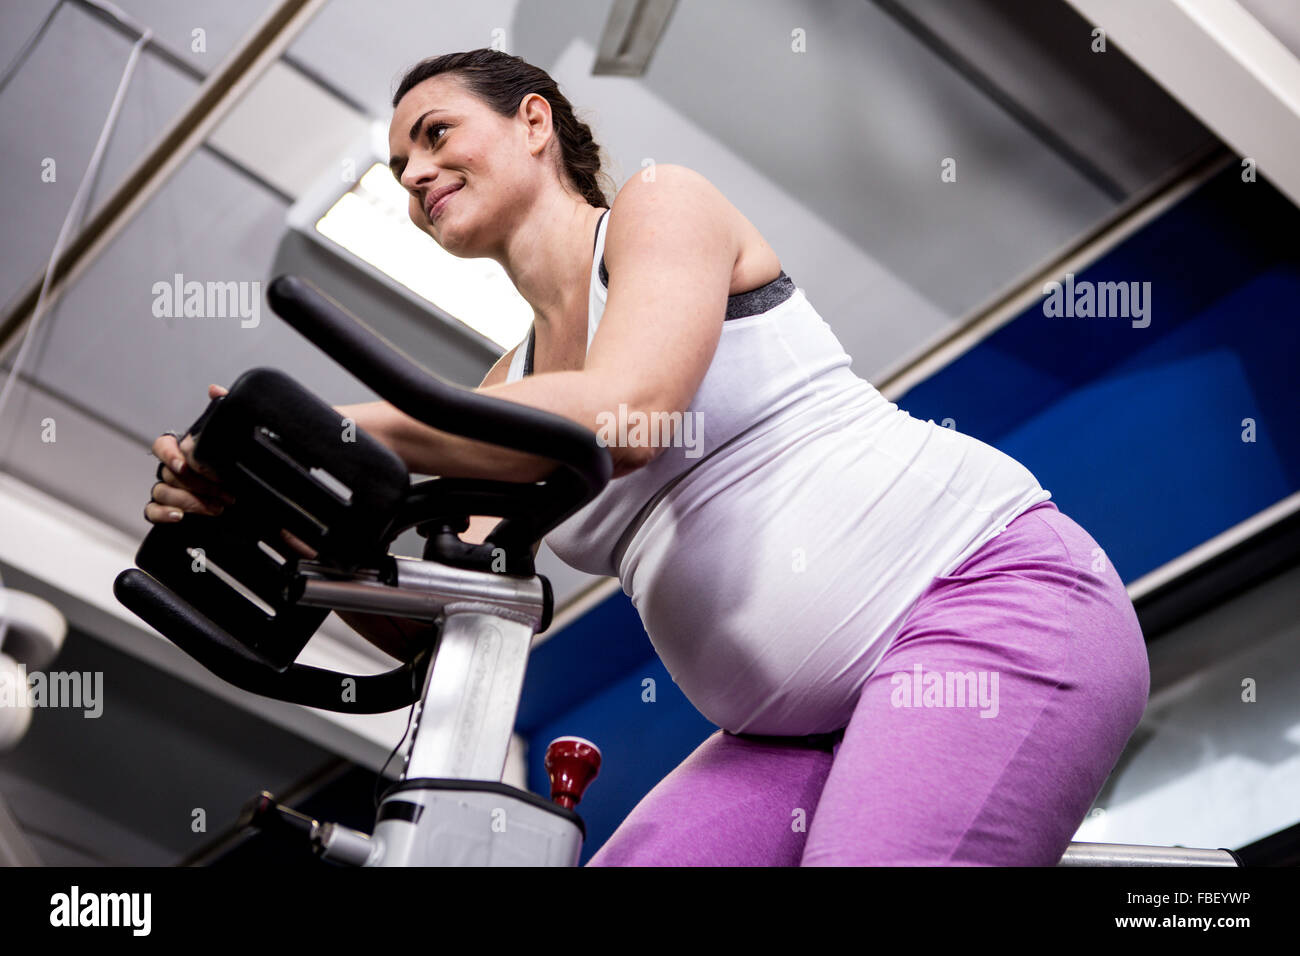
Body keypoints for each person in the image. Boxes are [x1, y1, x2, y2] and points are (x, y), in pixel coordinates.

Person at [145, 48, 1150, 866]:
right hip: (782, 733)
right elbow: (441, 617)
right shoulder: (504, 388)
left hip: (986, 604)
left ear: (533, 121)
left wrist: (334, 424)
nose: (412, 173)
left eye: (434, 134)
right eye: (399, 163)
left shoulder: (660, 206)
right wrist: (252, 503)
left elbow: (629, 415)